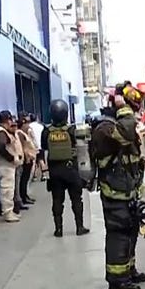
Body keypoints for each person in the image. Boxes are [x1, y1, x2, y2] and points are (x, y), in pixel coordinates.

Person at [89, 91, 145, 289]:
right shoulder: (105, 128)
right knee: (119, 235)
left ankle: (129, 271)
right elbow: (124, 134)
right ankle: (117, 280)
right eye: (131, 111)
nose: (135, 118)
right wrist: (124, 109)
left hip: (128, 192)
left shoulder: (119, 127)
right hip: (115, 194)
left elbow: (127, 149)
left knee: (131, 232)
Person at [41, 99, 90, 237]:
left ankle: (58, 229)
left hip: (54, 171)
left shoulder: (46, 131)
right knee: (76, 200)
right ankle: (79, 227)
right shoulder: (71, 130)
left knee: (57, 200)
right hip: (71, 170)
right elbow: (81, 149)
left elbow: (44, 148)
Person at [0, 110, 23, 222]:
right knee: (7, 189)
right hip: (5, 165)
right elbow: (1, 148)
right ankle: (8, 213)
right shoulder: (0, 133)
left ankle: (10, 211)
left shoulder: (0, 131)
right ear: (7, 120)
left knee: (8, 189)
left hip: (4, 164)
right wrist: (12, 158)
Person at [17, 113, 37, 205]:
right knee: (24, 179)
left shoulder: (24, 133)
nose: (28, 125)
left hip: (29, 157)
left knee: (26, 178)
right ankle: (23, 197)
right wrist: (27, 158)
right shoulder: (20, 134)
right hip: (26, 158)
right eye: (27, 123)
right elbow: (23, 147)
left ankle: (25, 196)